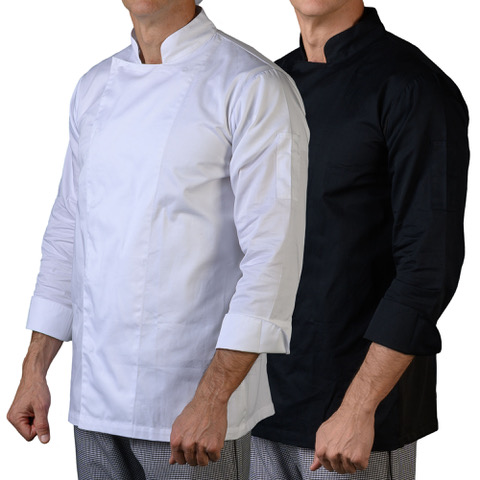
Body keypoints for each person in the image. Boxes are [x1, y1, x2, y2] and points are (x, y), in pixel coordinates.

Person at [7, 1, 309, 479]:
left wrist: (214, 399)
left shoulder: (253, 85)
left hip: (191, 413)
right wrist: (34, 368)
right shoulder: (94, 86)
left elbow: (273, 258)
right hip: (95, 403)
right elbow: (68, 229)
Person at [251, 1, 469, 478]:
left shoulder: (412, 86)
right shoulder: (267, 85)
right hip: (258, 407)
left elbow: (429, 267)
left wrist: (358, 407)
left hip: (350, 424)